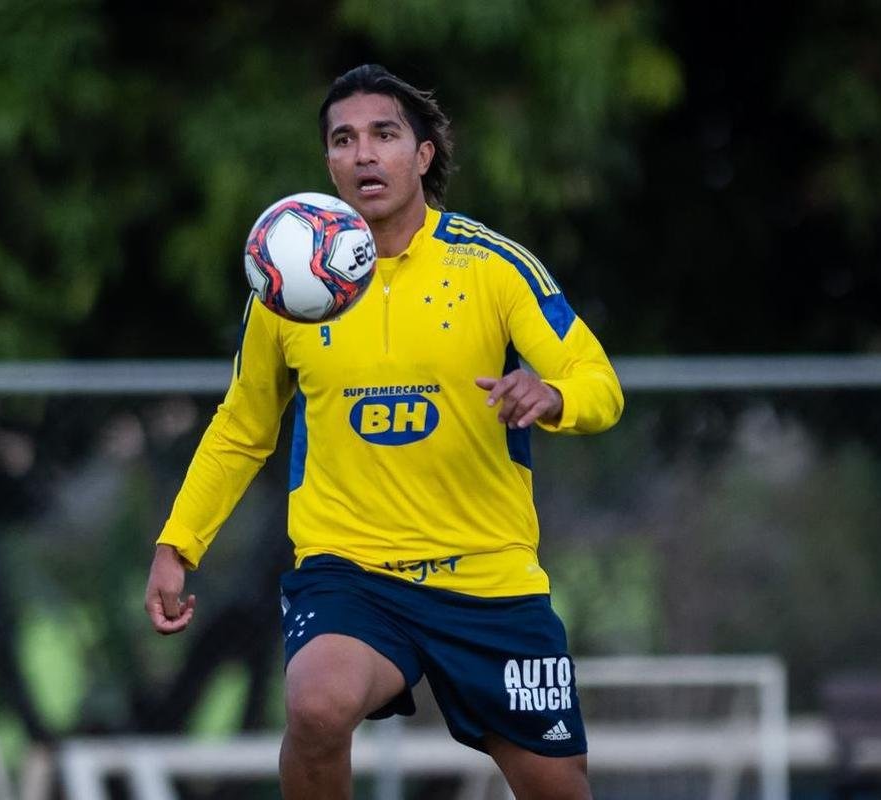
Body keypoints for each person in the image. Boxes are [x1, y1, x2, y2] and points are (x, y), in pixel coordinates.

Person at [145, 64, 624, 800]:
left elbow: (599, 383)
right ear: (328, 162)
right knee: (315, 704)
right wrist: (178, 546)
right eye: (343, 139)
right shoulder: (287, 283)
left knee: (557, 788)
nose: (363, 153)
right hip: (351, 572)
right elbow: (242, 425)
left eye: (383, 135)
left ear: (423, 155)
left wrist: (554, 394)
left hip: (488, 575)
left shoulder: (492, 267)